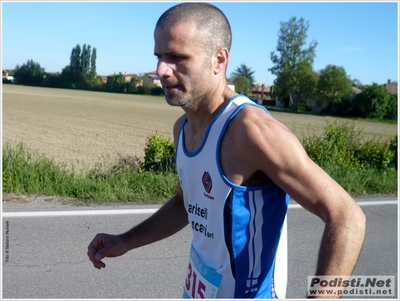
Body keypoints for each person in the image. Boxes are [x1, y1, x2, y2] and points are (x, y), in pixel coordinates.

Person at [87, 2, 366, 299]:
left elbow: (347, 216)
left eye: (177, 58)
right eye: (159, 56)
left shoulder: (252, 131)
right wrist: (126, 240)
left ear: (218, 60)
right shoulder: (182, 127)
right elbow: (186, 203)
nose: (161, 71)